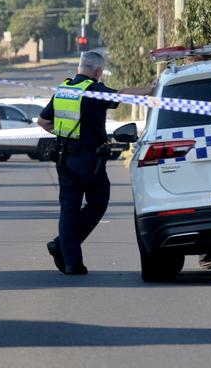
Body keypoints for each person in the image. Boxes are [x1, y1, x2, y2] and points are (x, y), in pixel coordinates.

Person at [37, 50, 138, 275]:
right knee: (98, 202)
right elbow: (121, 95)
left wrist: (63, 134)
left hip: (64, 157)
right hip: (88, 159)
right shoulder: (94, 90)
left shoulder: (64, 90)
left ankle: (71, 261)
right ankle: (60, 246)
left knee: (69, 209)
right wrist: (149, 90)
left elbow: (43, 121)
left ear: (79, 67)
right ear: (98, 72)